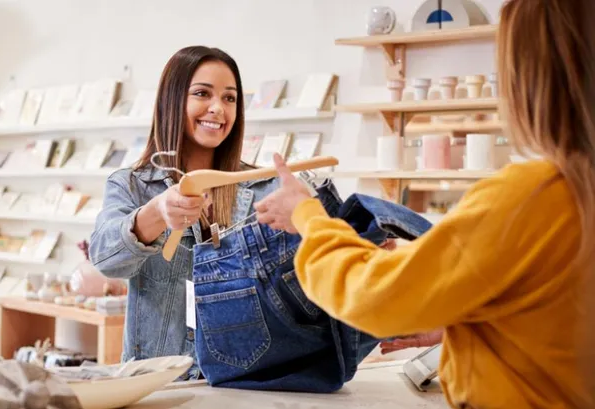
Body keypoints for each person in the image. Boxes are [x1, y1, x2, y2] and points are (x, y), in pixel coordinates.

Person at [253, 0, 595, 408]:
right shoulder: (578, 194)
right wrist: (469, 321)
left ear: (531, 78)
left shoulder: (532, 196)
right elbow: (557, 325)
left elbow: (374, 297)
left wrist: (308, 215)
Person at [88, 46, 282, 376]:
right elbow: (106, 259)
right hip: (158, 381)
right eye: (202, 93)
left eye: (230, 98)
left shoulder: (264, 187)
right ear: (172, 100)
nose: (218, 108)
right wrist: (155, 214)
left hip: (243, 379)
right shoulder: (132, 185)